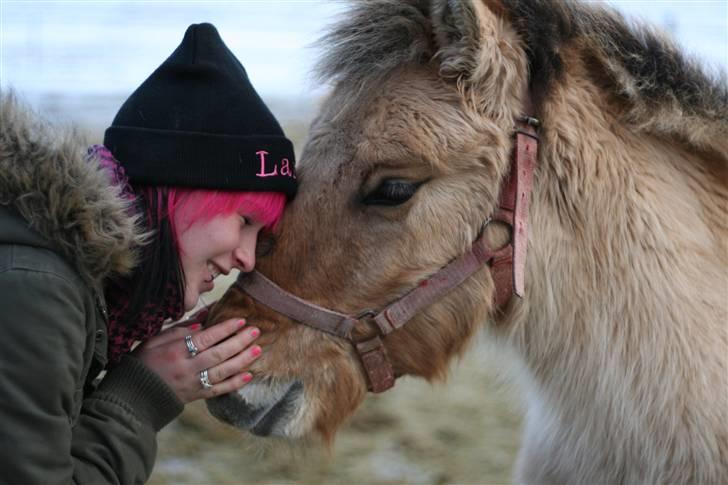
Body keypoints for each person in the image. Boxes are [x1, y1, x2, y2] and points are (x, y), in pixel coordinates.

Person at [0, 23, 297, 483]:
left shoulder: (63, 276)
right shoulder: (39, 289)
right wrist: (141, 394)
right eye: (243, 221)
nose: (247, 259)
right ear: (174, 193)